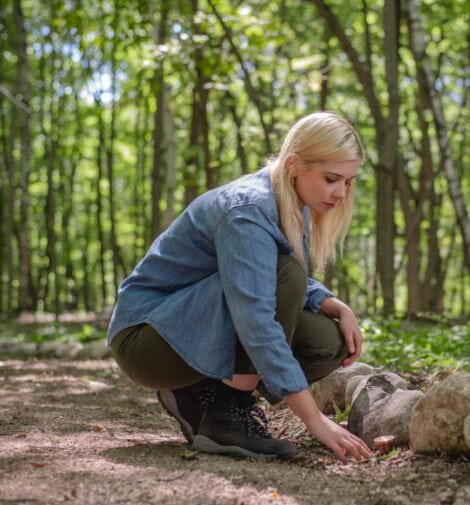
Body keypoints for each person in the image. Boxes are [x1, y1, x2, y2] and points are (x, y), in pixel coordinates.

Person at [107, 112, 373, 463]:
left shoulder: (293, 203)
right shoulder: (248, 210)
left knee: (327, 342)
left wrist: (335, 305)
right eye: (331, 179)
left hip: (186, 326)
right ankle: (228, 411)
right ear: (294, 164)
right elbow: (257, 313)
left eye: (348, 182)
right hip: (145, 338)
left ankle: (201, 398)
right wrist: (315, 420)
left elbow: (261, 276)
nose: (340, 193)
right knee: (287, 275)